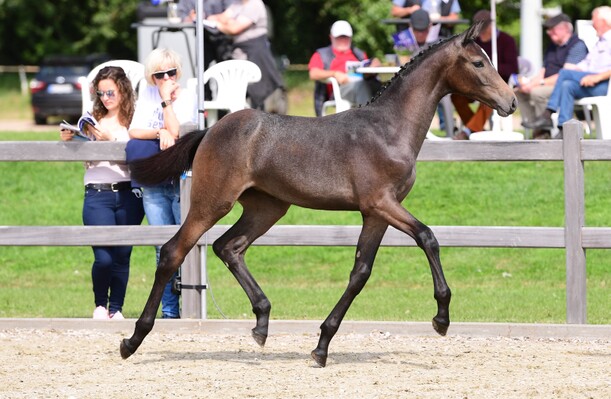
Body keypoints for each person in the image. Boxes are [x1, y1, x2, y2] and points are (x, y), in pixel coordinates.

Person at [60, 66, 145, 320]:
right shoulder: (91, 119)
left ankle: (116, 308)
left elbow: (140, 158)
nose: (106, 98)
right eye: (101, 93)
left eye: (110, 92)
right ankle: (100, 304)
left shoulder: (135, 121)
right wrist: (70, 140)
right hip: (98, 194)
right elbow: (82, 151)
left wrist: (112, 142)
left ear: (122, 91)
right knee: (104, 257)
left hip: (129, 193)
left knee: (122, 255)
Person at [128, 48, 197, 319]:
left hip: (180, 180)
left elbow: (178, 131)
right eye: (160, 74)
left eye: (171, 72)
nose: (166, 78)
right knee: (161, 248)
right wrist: (160, 132)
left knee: (186, 243)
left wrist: (166, 102)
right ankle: (170, 311)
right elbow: (134, 130)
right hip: (155, 180)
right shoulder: (145, 94)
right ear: (151, 76)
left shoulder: (187, 94)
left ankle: (190, 306)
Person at [523, 6, 611, 138]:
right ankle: (564, 129)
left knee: (564, 73)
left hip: (603, 84)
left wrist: (597, 77)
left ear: (604, 22)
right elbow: (586, 64)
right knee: (566, 85)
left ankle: (548, 113)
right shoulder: (600, 42)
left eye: (594, 20)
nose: (592, 24)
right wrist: (577, 70)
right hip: (589, 82)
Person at [516, 14, 588, 139]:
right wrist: (528, 84)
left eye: (552, 29)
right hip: (548, 84)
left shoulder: (578, 46)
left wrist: (537, 84)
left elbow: (565, 75)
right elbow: (542, 72)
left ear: (565, 29)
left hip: (565, 86)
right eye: (548, 30)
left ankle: (544, 129)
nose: (549, 32)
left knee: (537, 92)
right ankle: (536, 126)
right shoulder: (552, 47)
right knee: (518, 92)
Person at [206, 0, 286, 113]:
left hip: (257, 54)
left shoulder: (255, 4)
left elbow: (234, 29)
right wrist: (224, 21)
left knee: (261, 92)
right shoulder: (237, 4)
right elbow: (224, 18)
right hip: (241, 53)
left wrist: (218, 24)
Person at [451, 9, 518, 140]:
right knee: (456, 96)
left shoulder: (506, 40)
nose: (480, 33)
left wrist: (489, 69)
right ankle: (477, 130)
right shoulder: (474, 43)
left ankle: (469, 131)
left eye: (483, 29)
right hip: (474, 82)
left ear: (491, 26)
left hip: (497, 83)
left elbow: (513, 67)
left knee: (489, 97)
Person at [308, 20, 382, 117]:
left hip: (362, 86)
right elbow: (313, 73)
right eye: (339, 37)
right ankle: (368, 119)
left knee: (386, 85)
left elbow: (366, 69)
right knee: (360, 85)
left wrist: (373, 65)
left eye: (346, 37)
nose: (343, 40)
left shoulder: (359, 53)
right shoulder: (322, 54)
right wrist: (334, 74)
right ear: (331, 37)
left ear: (350, 37)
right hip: (339, 91)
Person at [391, 0, 462, 38]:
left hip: (440, 38)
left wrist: (439, 19)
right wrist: (410, 10)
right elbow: (394, 11)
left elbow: (454, 18)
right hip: (411, 39)